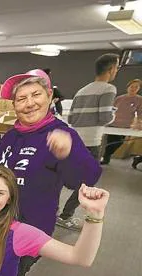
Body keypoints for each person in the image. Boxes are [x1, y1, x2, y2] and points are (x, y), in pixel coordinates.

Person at [0, 69, 101, 276]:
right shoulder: (10, 137)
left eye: (35, 95)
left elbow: (86, 178)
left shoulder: (62, 134)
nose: (29, 103)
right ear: (14, 105)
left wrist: (67, 153)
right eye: (21, 99)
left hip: (29, 231)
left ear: (49, 95)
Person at [56, 53, 118, 229]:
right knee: (87, 181)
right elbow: (105, 116)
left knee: (60, 177)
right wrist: (113, 113)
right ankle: (65, 216)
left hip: (75, 141)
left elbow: (73, 120)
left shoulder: (82, 90)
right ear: (112, 68)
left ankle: (53, 210)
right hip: (91, 143)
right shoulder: (108, 89)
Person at [103, 78, 142, 165]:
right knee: (110, 142)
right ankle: (106, 158)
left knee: (119, 143)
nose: (133, 89)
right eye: (132, 86)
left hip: (125, 126)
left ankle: (107, 155)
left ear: (138, 89)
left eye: (136, 87)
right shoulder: (119, 98)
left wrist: (139, 122)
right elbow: (111, 110)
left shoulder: (139, 100)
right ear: (128, 87)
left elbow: (140, 113)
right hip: (113, 124)